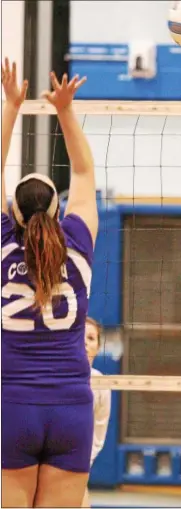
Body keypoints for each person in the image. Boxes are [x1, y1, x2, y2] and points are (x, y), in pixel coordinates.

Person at [1, 58, 98, 508]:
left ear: (14, 216)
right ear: (58, 212)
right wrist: (65, 110)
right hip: (71, 409)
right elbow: (83, 173)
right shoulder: (77, 243)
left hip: (12, 405)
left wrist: (11, 107)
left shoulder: (4, 246)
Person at [82, 317, 111, 508]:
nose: (85, 342)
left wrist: (83, 462)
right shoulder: (52, 375)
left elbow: (99, 430)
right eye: (80, 336)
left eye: (91, 338)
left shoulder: (101, 382)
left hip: (77, 463)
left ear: (98, 347)